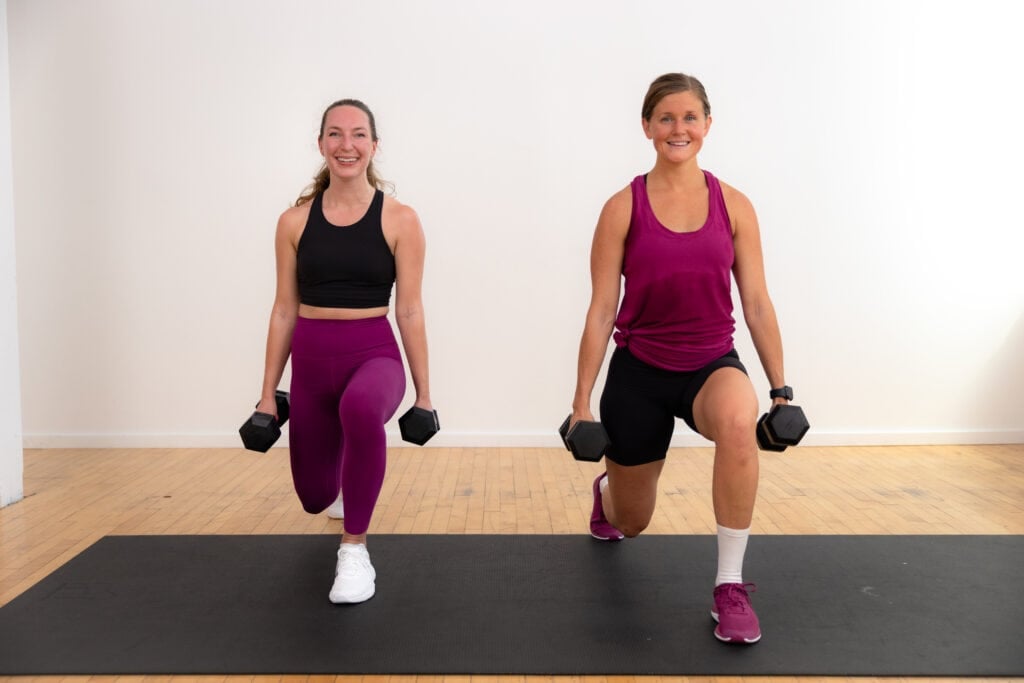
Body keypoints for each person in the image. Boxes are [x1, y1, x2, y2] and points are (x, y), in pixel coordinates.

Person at [569, 73, 795, 644]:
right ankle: (606, 495)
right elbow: (601, 310)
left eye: (690, 118)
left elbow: (758, 303)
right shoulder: (622, 207)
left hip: (710, 364)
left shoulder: (734, 204)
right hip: (639, 371)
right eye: (666, 118)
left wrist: (781, 391)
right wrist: (580, 405)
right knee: (632, 521)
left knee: (740, 425)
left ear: (708, 126)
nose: (678, 129)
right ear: (647, 127)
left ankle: (730, 586)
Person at [255, 98, 433, 604]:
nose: (346, 144)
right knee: (313, 498)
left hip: (373, 355)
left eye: (358, 134)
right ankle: (339, 484)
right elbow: (284, 311)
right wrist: (268, 395)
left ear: (374, 145)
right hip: (311, 366)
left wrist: (424, 395)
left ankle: (354, 551)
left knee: (359, 410)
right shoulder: (293, 222)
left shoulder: (400, 219)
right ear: (321, 145)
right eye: (335, 134)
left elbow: (411, 311)